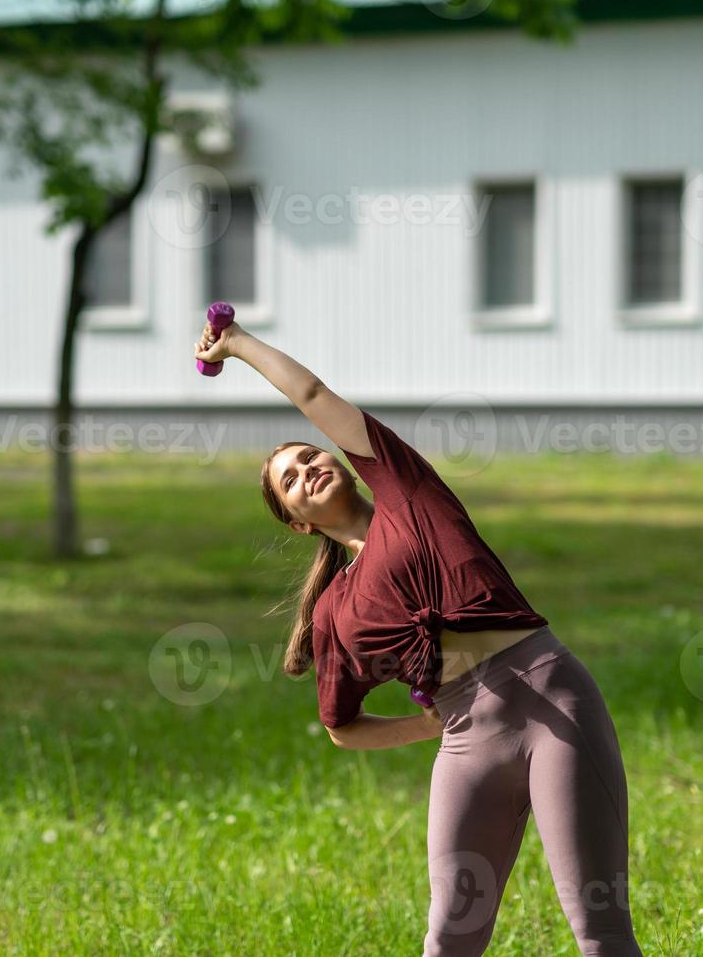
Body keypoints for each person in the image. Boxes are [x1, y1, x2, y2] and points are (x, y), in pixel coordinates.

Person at [195, 318, 644, 957]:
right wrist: (433, 729)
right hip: (466, 743)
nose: (306, 471)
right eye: (289, 482)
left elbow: (316, 396)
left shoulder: (409, 492)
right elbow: (341, 726)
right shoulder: (335, 613)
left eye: (309, 456)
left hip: (555, 703)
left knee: (599, 932)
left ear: (338, 459)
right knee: (449, 939)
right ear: (297, 524)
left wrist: (237, 343)